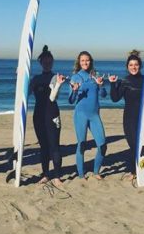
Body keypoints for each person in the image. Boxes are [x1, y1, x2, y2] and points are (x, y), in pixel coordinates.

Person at [29, 45, 65, 186]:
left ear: (52, 62)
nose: (47, 63)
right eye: (45, 61)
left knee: (54, 145)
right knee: (43, 146)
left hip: (52, 115)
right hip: (38, 115)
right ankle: (45, 174)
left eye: (50, 61)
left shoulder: (56, 78)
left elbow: (52, 98)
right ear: (41, 62)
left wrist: (58, 85)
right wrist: (20, 77)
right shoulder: (36, 79)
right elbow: (25, 93)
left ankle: (57, 176)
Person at [68, 51, 107, 179]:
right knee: (82, 145)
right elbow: (71, 100)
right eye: (83, 60)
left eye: (87, 60)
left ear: (91, 61)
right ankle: (81, 174)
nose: (85, 62)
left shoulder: (95, 76)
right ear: (79, 62)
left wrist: (101, 86)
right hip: (81, 115)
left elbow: (103, 95)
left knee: (102, 145)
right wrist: (74, 91)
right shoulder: (75, 77)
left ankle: (96, 172)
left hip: (95, 115)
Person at [109, 50, 144, 180]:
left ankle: (140, 170)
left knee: (142, 145)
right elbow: (115, 98)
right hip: (129, 119)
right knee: (133, 145)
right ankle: (134, 171)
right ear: (127, 67)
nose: (133, 67)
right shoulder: (125, 81)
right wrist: (112, 84)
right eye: (131, 65)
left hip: (143, 118)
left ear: (140, 66)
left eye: (136, 65)